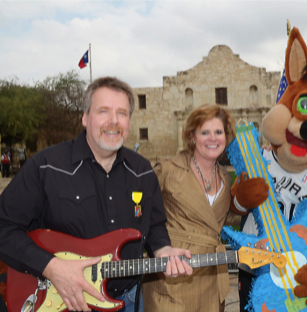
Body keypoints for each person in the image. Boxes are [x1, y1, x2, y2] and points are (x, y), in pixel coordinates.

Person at [0, 77, 192, 312]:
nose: (114, 121)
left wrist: (164, 250)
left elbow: (154, 226)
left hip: (129, 301)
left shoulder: (142, 171)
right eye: (104, 111)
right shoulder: (46, 166)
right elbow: (4, 228)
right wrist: (51, 267)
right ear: (85, 117)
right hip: (63, 300)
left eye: (122, 113)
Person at [142, 104, 237, 312]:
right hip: (173, 276)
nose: (213, 138)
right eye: (205, 132)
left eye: (218, 132)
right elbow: (141, 212)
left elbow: (221, 219)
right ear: (192, 136)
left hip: (211, 277)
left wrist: (242, 204)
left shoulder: (226, 177)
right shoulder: (167, 170)